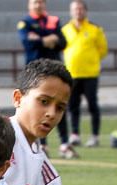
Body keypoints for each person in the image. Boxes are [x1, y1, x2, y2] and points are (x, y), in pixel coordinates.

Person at [17, 0, 76, 159]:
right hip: (36, 76)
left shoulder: (53, 20)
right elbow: (27, 42)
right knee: (39, 109)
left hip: (55, 72)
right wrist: (47, 40)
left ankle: (64, 143)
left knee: (58, 107)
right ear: (30, 5)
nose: (38, 5)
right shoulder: (25, 22)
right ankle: (41, 145)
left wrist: (40, 39)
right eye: (35, 2)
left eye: (41, 2)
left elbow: (63, 42)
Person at [62, 0, 108, 148]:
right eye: (75, 9)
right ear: (71, 11)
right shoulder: (65, 29)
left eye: (81, 9)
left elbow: (103, 50)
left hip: (90, 74)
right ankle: (75, 134)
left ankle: (95, 136)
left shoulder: (95, 29)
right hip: (72, 74)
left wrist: (91, 61)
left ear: (85, 11)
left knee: (92, 105)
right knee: (73, 105)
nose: (78, 11)